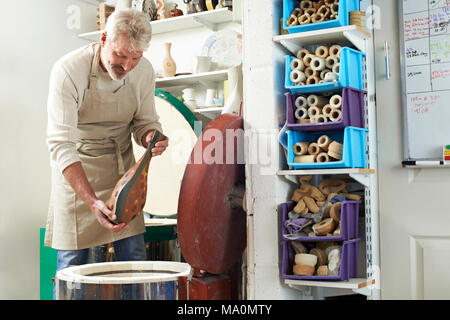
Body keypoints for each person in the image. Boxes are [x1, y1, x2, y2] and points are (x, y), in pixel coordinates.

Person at [45, 8, 168, 296]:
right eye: (120, 56)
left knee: (134, 262)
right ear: (104, 39)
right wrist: (90, 201)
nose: (127, 66)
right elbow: (61, 144)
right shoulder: (68, 70)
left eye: (135, 58)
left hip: (120, 172)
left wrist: (151, 136)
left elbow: (145, 122)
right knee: (73, 269)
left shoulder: (144, 70)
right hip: (76, 173)